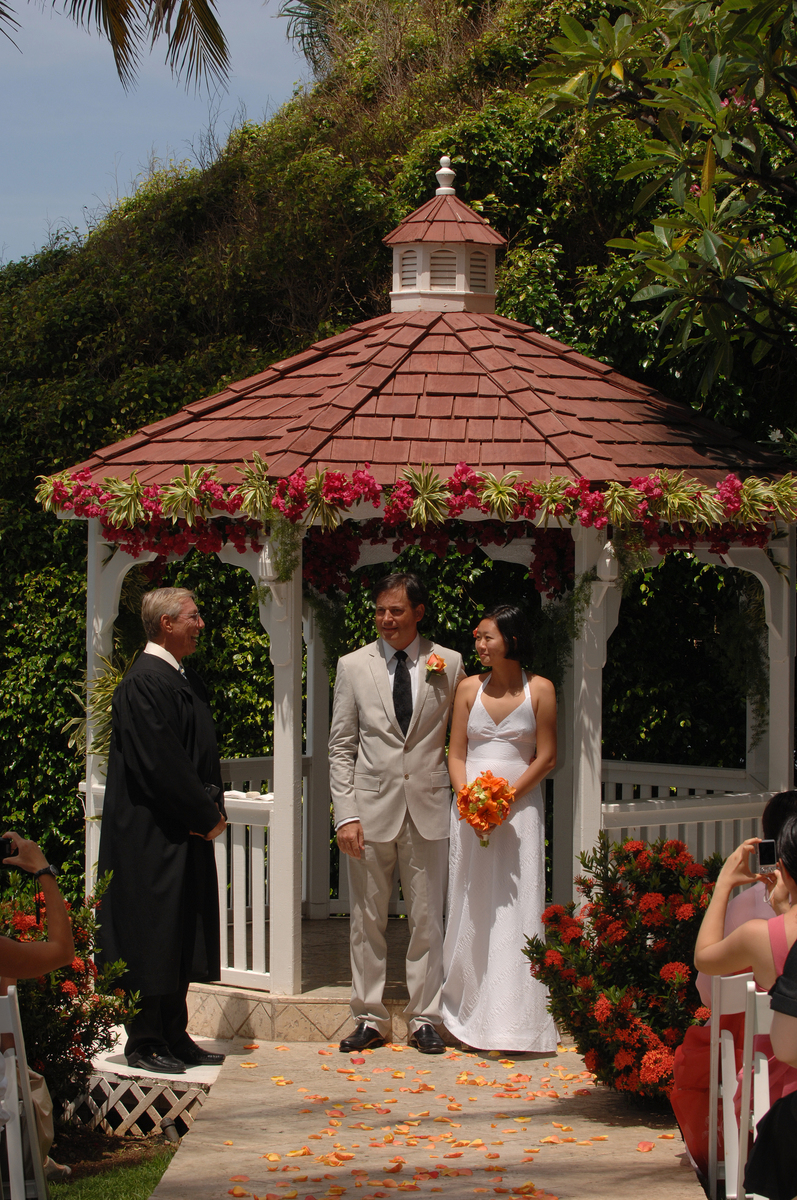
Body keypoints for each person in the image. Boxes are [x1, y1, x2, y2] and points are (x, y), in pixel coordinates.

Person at [329, 572, 465, 1054]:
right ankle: (369, 1018)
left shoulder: (449, 662)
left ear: (418, 612)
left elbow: (463, 736)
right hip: (368, 812)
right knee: (366, 919)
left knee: (428, 919)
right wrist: (345, 815)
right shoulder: (352, 665)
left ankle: (424, 1018)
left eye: (396, 611)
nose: (386, 619)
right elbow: (341, 747)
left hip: (428, 807)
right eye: (380, 611)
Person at [96, 587, 227, 1074]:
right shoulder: (143, 683)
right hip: (151, 837)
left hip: (181, 833)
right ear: (166, 623)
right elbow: (161, 763)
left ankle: (174, 1033)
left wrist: (205, 809)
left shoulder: (181, 678)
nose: (201, 624)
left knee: (180, 930)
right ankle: (146, 1040)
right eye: (193, 616)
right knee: (152, 933)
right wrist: (205, 815)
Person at [441, 604, 558, 1053]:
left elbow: (546, 756)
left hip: (519, 813)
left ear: (511, 639)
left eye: (487, 637)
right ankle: (467, 1009)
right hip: (469, 812)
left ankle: (514, 1021)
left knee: (516, 905)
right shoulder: (468, 688)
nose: (479, 645)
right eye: (478, 637)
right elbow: (455, 753)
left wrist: (506, 799)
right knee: (471, 901)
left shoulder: (541, 689)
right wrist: (469, 801)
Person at [671, 792, 797, 1181]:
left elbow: (705, 963)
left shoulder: (762, 936)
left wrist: (724, 883)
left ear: (782, 863)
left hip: (779, 1094)